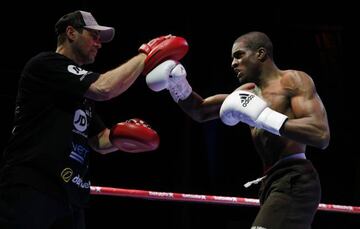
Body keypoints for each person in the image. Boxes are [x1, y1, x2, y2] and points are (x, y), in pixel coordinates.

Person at [0, 10, 186, 228]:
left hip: (71, 196)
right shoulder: (45, 65)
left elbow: (98, 140)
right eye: (93, 36)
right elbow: (104, 88)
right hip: (33, 187)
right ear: (71, 33)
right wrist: (146, 54)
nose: (99, 43)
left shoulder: (79, 91)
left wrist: (124, 136)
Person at [145, 31, 330, 228]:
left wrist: (264, 117)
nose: (233, 63)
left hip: (295, 177)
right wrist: (177, 84)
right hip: (271, 181)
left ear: (260, 54)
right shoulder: (246, 94)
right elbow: (200, 111)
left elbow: (320, 134)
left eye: (239, 55)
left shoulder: (293, 80)